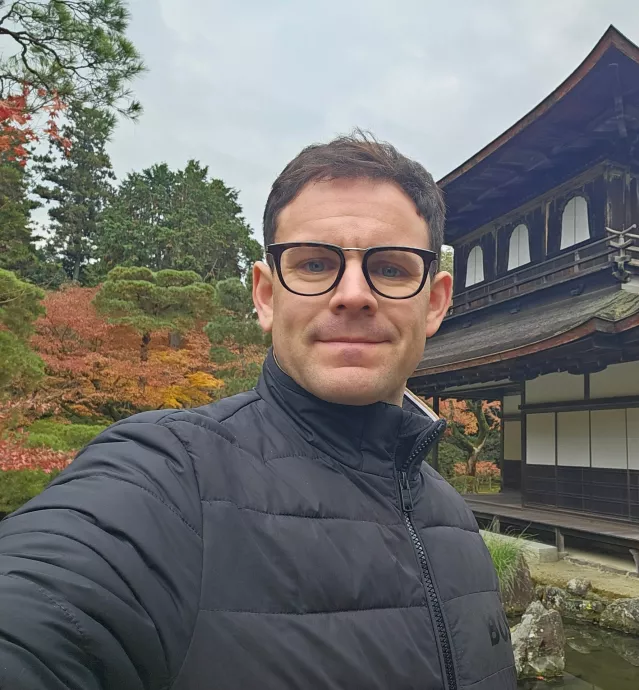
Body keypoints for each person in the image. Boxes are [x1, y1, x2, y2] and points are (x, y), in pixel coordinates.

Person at [0, 131, 516, 690]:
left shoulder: (456, 522)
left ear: (435, 301)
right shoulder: (167, 476)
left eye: (391, 269)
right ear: (266, 296)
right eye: (315, 264)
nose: (353, 294)